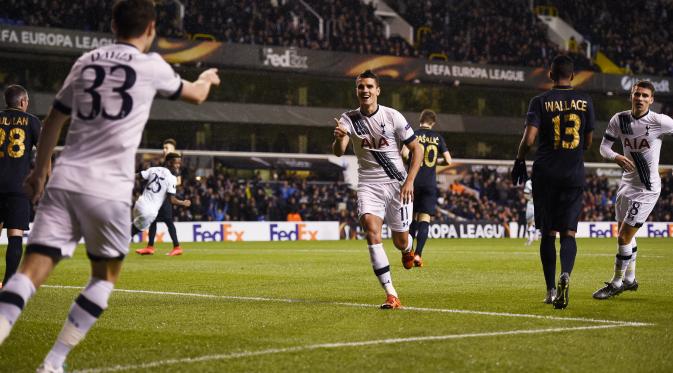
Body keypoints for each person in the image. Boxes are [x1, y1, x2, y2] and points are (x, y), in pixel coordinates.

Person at [0, 1, 220, 371]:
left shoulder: (85, 61)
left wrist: (39, 173)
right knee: (103, 278)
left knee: (28, 273)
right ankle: (53, 362)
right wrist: (207, 79)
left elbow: (54, 118)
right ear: (150, 29)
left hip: (66, 181)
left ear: (113, 25)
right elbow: (196, 95)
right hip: (110, 189)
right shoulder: (151, 66)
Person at [332, 69, 423, 309]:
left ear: (378, 90)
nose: (365, 91)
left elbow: (417, 149)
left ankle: (407, 248)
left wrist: (410, 181)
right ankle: (391, 294)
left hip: (398, 186)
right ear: (357, 91)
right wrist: (340, 137)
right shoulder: (348, 119)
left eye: (369, 87)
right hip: (368, 185)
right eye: (361, 87)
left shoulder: (393, 117)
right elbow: (339, 150)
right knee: (372, 232)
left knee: (399, 240)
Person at [511, 55, 595, 309]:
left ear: (550, 74)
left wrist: (519, 159)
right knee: (568, 233)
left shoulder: (540, 102)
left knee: (547, 233)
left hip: (545, 174)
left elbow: (529, 139)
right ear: (572, 75)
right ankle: (565, 273)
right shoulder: (586, 101)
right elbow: (589, 141)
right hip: (573, 174)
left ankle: (549, 290)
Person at [592, 80, 673, 300]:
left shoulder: (659, 121)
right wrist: (617, 156)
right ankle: (630, 280)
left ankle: (617, 282)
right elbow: (604, 148)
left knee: (624, 237)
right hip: (626, 184)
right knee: (624, 235)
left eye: (645, 96)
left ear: (651, 99)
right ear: (631, 96)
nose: (640, 98)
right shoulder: (619, 119)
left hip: (647, 188)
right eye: (637, 94)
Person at [0, 85, 41, 288]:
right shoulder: (32, 121)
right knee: (15, 234)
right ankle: (8, 283)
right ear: (23, 102)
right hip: (18, 185)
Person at [403, 109, 451, 267]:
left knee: (412, 219)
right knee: (424, 219)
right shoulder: (438, 138)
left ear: (420, 120)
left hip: (413, 181)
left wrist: (411, 162)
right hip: (429, 183)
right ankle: (418, 255)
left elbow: (403, 154)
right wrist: (435, 163)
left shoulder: (413, 134)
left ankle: (408, 253)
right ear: (433, 122)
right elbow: (448, 161)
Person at [132, 152, 191, 256]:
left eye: (179, 163)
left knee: (167, 221)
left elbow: (138, 176)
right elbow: (172, 198)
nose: (178, 165)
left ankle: (176, 247)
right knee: (154, 221)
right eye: (176, 163)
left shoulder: (154, 169)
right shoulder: (172, 177)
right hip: (160, 201)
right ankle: (150, 247)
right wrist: (183, 203)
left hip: (154, 201)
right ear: (169, 162)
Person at [523, 179, 538, 246]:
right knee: (529, 221)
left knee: (536, 220)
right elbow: (526, 194)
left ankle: (534, 236)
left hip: (539, 204)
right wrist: (531, 199)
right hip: (531, 204)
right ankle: (532, 236)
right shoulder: (529, 182)